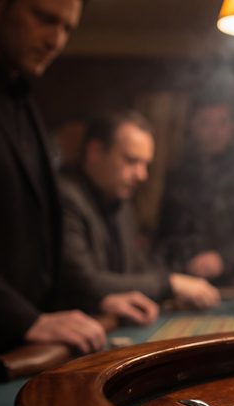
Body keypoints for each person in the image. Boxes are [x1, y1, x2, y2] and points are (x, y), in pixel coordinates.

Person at [0, 0, 157, 362]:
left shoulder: (20, 98)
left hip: (15, 347)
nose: (56, 40)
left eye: (67, 28)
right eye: (44, 19)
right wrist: (25, 320)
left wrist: (93, 299)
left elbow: (31, 243)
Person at [58, 111, 221, 309]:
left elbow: (137, 269)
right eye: (131, 161)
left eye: (145, 164)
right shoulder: (64, 196)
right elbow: (82, 282)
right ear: (95, 152)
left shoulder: (120, 203)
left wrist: (172, 289)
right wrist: (170, 285)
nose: (142, 175)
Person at [156, 97, 234, 286]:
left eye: (222, 122)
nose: (215, 131)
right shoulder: (179, 173)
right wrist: (185, 261)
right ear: (192, 126)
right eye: (206, 123)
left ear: (232, 126)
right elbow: (166, 234)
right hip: (189, 282)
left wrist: (224, 258)